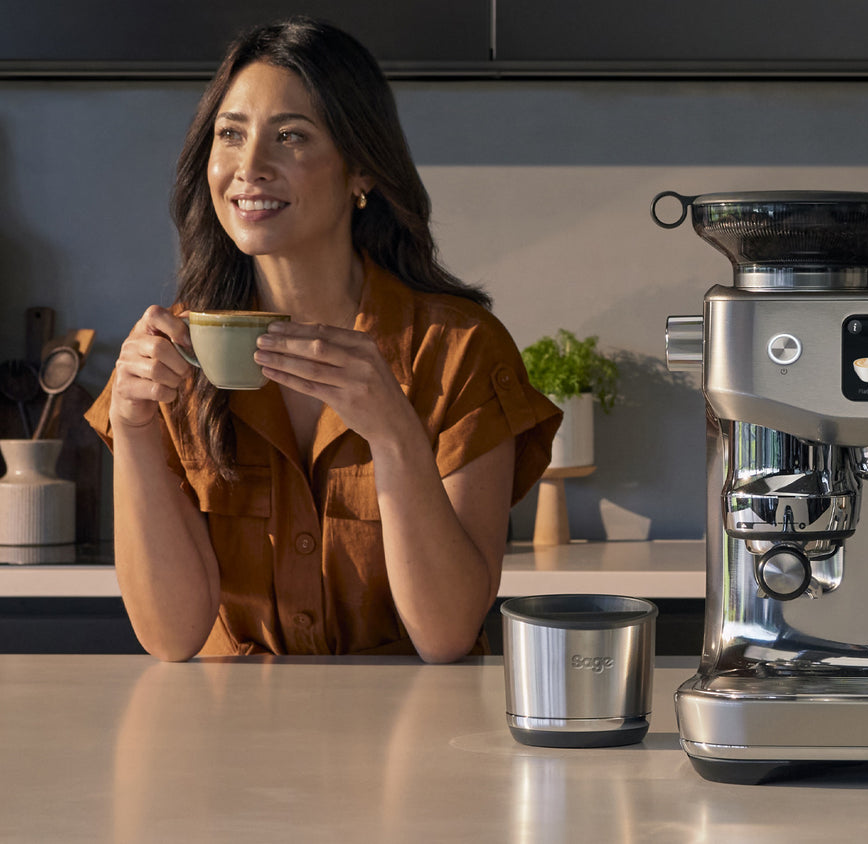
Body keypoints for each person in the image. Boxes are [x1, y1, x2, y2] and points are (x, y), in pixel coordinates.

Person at [85, 18, 561, 663]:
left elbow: (446, 635)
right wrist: (134, 431)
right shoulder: (172, 354)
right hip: (229, 720)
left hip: (413, 721)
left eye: (291, 136)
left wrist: (394, 436)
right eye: (231, 134)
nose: (250, 167)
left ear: (361, 169)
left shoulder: (458, 351)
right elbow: (171, 638)